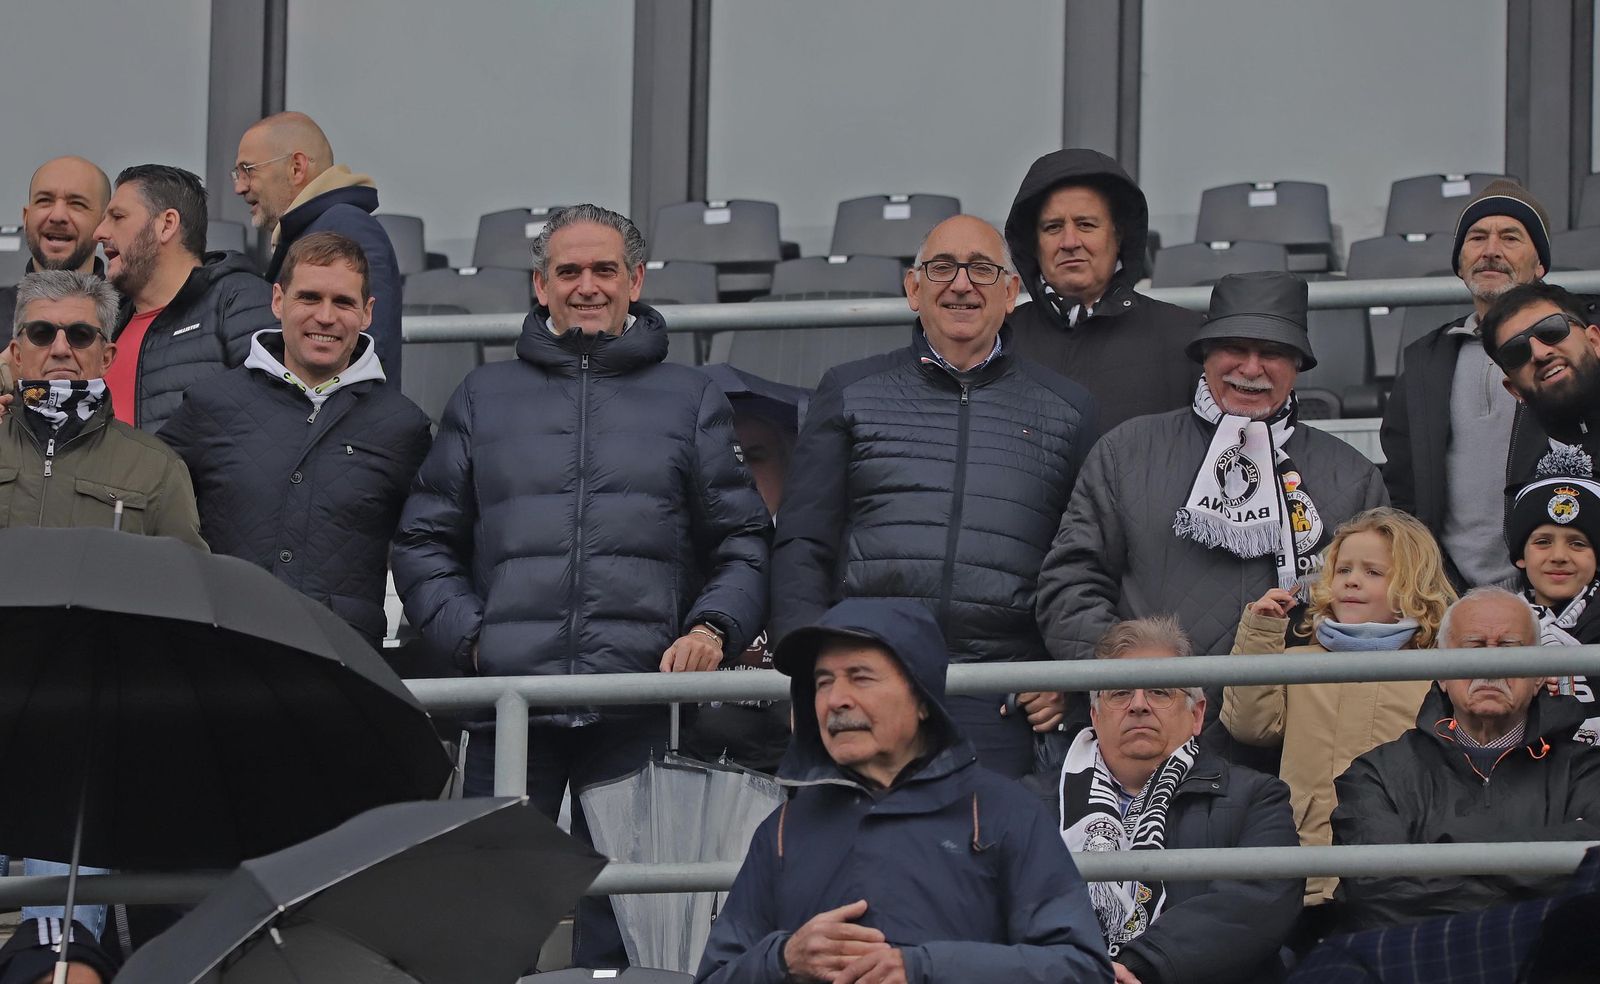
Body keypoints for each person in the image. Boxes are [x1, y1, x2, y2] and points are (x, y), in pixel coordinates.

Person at [391, 203, 769, 968]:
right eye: (569, 272)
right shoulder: (481, 396)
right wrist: (472, 640)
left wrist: (711, 631)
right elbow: (423, 539)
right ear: (540, 285)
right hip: (507, 709)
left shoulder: (690, 397)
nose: (587, 286)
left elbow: (744, 541)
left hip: (637, 710)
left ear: (635, 281)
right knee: (481, 938)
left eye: (604, 271)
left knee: (632, 941)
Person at [771, 215, 1098, 778]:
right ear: (912, 288)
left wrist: (1062, 674)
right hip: (870, 678)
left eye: (982, 269)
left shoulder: (1069, 410)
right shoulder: (849, 392)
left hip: (1001, 697)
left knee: (983, 860)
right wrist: (815, 673)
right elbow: (803, 541)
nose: (961, 284)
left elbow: (1086, 564)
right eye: (942, 267)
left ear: (1012, 292)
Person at [1037, 272, 1387, 756]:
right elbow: (1069, 587)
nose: (1251, 367)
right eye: (1234, 349)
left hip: (1294, 742)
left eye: (1272, 352)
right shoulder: (1126, 452)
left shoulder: (1354, 476)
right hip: (1144, 738)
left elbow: (1377, 613)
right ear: (1204, 355)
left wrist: (1285, 699)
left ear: (1298, 365)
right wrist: (1139, 683)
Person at [695, 598, 1113, 984]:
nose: (836, 699)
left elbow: (1081, 969)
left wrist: (923, 969)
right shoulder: (782, 829)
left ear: (922, 699)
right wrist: (783, 959)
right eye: (823, 682)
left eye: (860, 677)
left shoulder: (1002, 814)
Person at [159, 232, 430, 648]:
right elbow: (148, 501)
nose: (325, 317)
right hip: (226, 655)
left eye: (343, 302)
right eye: (308, 298)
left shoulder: (402, 425)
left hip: (344, 668)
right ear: (278, 301)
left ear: (368, 313)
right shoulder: (212, 404)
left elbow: (431, 545)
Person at [1038, 617, 1301, 984]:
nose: (1139, 705)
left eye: (1160, 691)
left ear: (1197, 714)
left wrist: (1140, 967)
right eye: (1119, 692)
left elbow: (1253, 906)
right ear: (1095, 716)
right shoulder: (1031, 802)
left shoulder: (1257, 797)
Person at [1221, 508, 1457, 906]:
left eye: (1373, 572)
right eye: (1343, 569)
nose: (1351, 580)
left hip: (1401, 864)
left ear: (1414, 586)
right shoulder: (1299, 660)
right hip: (1307, 858)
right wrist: (1261, 633)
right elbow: (1250, 725)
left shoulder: (1435, 670)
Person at [1332, 587, 1600, 930]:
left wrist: (1445, 856)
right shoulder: (1377, 774)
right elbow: (1375, 892)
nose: (1489, 664)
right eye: (1473, 647)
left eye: (1509, 648)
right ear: (1442, 673)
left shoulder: (1586, 770)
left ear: (1538, 677)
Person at [1380, 181, 1551, 588]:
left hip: (1564, 598)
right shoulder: (1424, 361)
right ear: (1460, 263)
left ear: (1540, 265)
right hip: (1450, 598)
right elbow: (1403, 490)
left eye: (1510, 237)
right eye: (1477, 237)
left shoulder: (1574, 350)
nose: (1491, 249)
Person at [1004, 149, 1201, 431]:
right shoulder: (998, 340)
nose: (1069, 241)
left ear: (1118, 236)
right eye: (1053, 227)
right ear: (1034, 244)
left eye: (1086, 225)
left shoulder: (1185, 339)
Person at [1, 270, 203, 546]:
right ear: (17, 355)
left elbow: (184, 579)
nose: (60, 349)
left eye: (80, 335)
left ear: (107, 357)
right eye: (41, 333)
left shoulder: (158, 468)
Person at [680, 366, 805, 773]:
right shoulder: (663, 565)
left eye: (754, 457)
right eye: (723, 459)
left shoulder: (818, 564)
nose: (740, 475)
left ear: (790, 469)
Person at [94, 165, 276, 433]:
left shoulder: (238, 299)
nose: (99, 232)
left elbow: (275, 423)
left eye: (118, 217)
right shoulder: (109, 322)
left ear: (167, 225)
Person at [234, 111, 402, 380]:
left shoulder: (347, 226)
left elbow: (368, 352)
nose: (239, 187)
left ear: (297, 167)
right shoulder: (317, 228)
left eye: (248, 170)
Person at [1505, 467, 1600, 744]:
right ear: (1520, 555)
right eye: (1543, 542)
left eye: (1577, 543)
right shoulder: (1496, 626)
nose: (1559, 556)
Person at [1479, 280, 1600, 487]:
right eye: (1516, 351)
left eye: (1551, 331)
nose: (1539, 353)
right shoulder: (1528, 489)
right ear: (1514, 389)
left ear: (1595, 341)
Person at [0, 156, 112, 331]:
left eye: (77, 204)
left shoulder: (131, 316)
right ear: (26, 217)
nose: (57, 216)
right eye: (44, 200)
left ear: (104, 223)